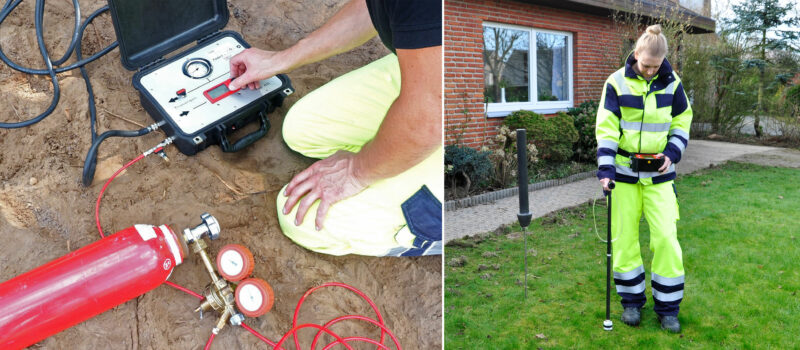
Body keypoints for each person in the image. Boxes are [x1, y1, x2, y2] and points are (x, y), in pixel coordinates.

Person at [228, 0, 442, 257]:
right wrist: (279, 60)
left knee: (302, 220)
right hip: (434, 64)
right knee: (302, 128)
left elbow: (428, 121)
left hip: (454, 104)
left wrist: (357, 170)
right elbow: (375, 7)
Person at [595, 24, 692, 333]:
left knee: (666, 239)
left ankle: (668, 309)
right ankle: (632, 303)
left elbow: (681, 121)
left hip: (660, 177)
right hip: (623, 177)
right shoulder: (616, 83)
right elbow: (608, 129)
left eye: (656, 66)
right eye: (646, 65)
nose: (650, 71)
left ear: (663, 60)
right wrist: (606, 170)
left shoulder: (673, 83)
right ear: (636, 54)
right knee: (624, 241)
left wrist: (672, 153)